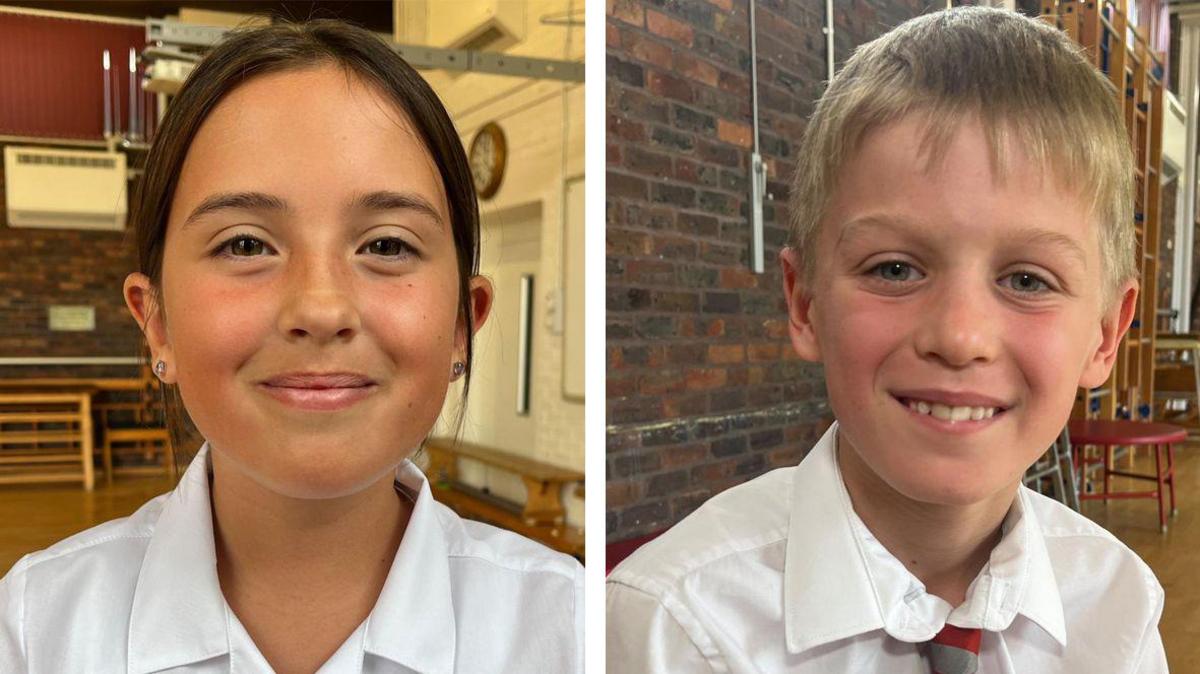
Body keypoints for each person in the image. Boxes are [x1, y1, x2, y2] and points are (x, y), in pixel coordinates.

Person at [0, 19, 582, 673]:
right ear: (157, 323)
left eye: (386, 245)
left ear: (459, 324)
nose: (321, 308)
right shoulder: (33, 629)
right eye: (245, 244)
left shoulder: (569, 629)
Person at [607, 7, 1165, 673]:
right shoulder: (673, 627)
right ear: (806, 303)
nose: (960, 338)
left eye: (1026, 279)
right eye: (894, 269)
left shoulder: (1118, 608)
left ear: (1106, 335)